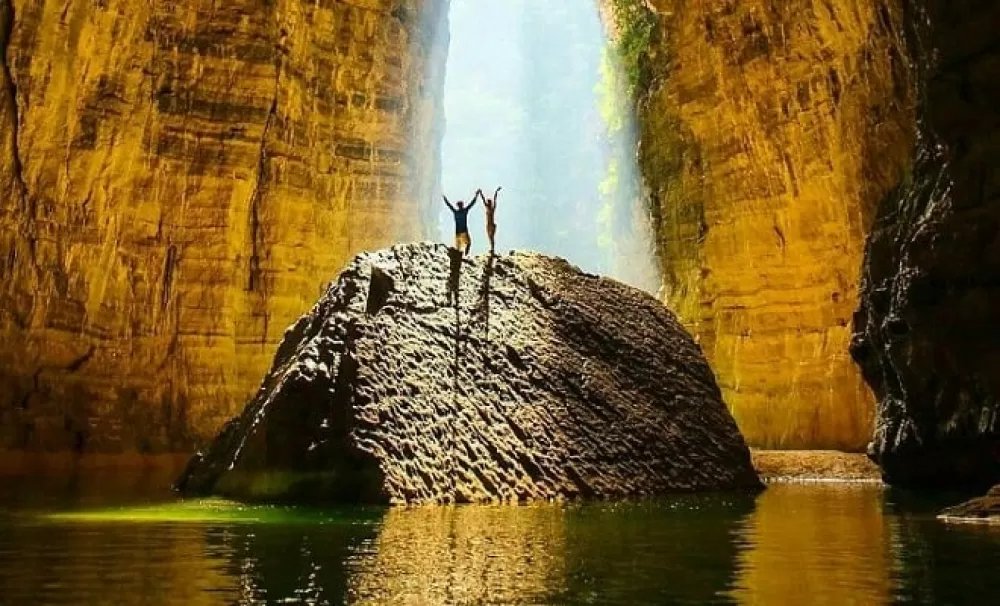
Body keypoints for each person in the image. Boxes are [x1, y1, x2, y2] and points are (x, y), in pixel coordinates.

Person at [443, 190, 480, 255]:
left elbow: (449, 205)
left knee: (458, 249)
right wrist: (476, 195)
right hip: (464, 232)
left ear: (458, 206)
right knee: (468, 244)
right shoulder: (464, 211)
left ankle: (458, 256)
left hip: (457, 233)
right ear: (462, 205)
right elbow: (472, 203)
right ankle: (466, 255)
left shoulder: (455, 212)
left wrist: (444, 198)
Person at [483, 186, 501, 254]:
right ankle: (492, 249)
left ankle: (492, 249)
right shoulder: (488, 209)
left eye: (488, 203)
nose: (487, 204)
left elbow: (494, 199)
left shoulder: (492, 209)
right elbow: (483, 200)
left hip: (491, 224)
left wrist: (496, 192)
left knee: (491, 238)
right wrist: (481, 193)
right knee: (490, 238)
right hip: (489, 225)